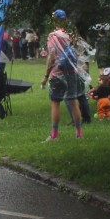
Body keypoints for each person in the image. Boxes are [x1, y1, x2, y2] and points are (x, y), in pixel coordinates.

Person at [40, 9, 83, 140]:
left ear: (54, 20)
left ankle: (54, 135)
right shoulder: (70, 35)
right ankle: (79, 133)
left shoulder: (53, 36)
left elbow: (52, 57)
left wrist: (46, 76)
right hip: (71, 72)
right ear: (65, 19)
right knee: (74, 102)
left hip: (57, 73)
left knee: (55, 103)